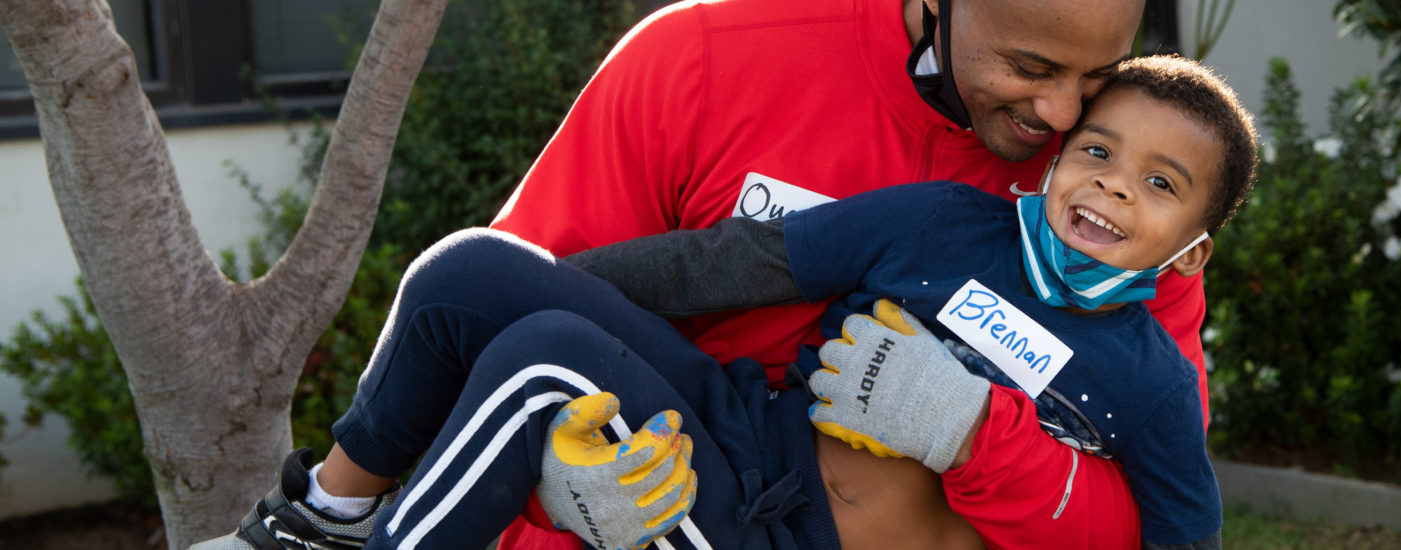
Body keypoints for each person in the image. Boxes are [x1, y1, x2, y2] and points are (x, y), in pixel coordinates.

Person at [190, 55, 1254, 550]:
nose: (1114, 185)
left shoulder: (1148, 380)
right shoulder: (948, 220)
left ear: (1192, 250)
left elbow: (1178, 539)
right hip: (746, 432)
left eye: (1159, 183)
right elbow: (733, 263)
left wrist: (979, 433)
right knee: (472, 275)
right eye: (1098, 151)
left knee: (543, 359)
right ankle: (321, 522)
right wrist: (550, 289)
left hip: (779, 535)